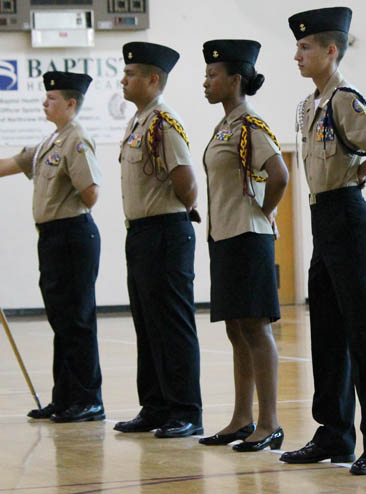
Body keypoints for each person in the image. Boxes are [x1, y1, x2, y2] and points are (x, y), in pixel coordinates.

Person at [0, 71, 104, 423]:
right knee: (61, 320)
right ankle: (65, 397)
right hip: (53, 237)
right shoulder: (49, 142)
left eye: (52, 98)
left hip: (73, 235)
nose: (45, 102)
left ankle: (88, 400)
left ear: (71, 104)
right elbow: (8, 164)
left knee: (77, 320)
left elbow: (91, 194)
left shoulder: (77, 140)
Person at [279, 6, 366, 476]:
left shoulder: (345, 99)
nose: (297, 55)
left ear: (331, 50)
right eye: (297, 47)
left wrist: (357, 173)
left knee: (364, 331)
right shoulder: (310, 104)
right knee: (327, 329)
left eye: (305, 47)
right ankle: (333, 433)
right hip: (323, 216)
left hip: (347, 214)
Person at [197, 39, 289, 452]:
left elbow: (280, 174)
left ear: (235, 80)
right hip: (226, 237)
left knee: (255, 327)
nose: (205, 81)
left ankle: (269, 422)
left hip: (248, 237)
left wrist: (265, 212)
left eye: (212, 74)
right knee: (236, 329)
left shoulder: (251, 125)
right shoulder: (225, 126)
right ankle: (241, 418)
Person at [112, 42, 204, 439]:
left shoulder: (164, 122)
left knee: (172, 324)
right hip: (141, 232)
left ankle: (185, 410)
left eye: (130, 74)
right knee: (147, 324)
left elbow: (187, 182)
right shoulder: (138, 122)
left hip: (166, 230)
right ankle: (155, 406)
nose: (123, 79)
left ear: (153, 79)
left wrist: (182, 208)